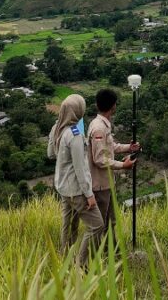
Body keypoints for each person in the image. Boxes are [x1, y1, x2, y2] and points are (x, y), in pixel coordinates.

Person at [48, 93, 103, 267]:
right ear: (78, 111)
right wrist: (89, 194)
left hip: (63, 188)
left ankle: (65, 261)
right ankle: (81, 263)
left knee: (69, 226)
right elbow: (81, 168)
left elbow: (50, 154)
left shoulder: (57, 128)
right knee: (97, 225)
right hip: (77, 190)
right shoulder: (75, 134)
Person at [88, 88, 140, 245]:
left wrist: (128, 148)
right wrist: (123, 165)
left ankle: (111, 251)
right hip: (100, 184)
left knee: (110, 221)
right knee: (100, 224)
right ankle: (95, 254)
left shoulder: (103, 125)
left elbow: (110, 148)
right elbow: (99, 159)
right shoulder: (99, 128)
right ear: (113, 106)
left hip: (107, 182)